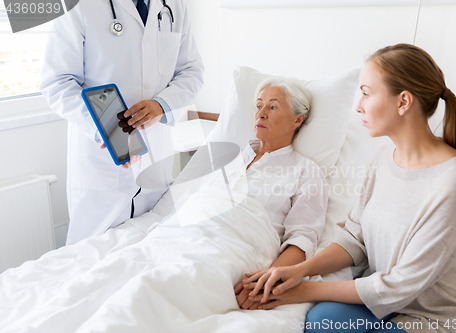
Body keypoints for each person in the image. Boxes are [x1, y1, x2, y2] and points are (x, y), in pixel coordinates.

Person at [0, 79, 329, 331]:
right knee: (98, 280)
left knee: (146, 295)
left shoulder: (306, 171)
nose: (259, 113)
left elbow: (302, 238)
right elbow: (188, 192)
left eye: (273, 107)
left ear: (298, 120)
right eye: (258, 105)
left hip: (231, 246)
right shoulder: (228, 154)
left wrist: (272, 277)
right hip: (176, 233)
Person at [240, 44, 456, 332]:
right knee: (319, 319)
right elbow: (354, 238)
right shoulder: (383, 158)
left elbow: (400, 285)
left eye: (366, 93)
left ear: (403, 102)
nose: (358, 106)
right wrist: (295, 272)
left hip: (444, 319)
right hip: (389, 307)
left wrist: (301, 291)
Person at [40, 0, 204, 245]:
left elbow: (191, 71)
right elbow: (58, 82)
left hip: (155, 159)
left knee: (150, 250)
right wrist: (108, 128)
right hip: (102, 162)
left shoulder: (173, 5)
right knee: (92, 256)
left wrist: (161, 104)